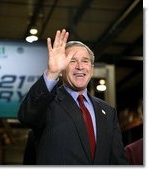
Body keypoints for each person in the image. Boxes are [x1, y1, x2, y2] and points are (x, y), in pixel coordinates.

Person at [18, 29, 129, 165]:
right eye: (72, 61)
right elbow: (26, 116)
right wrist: (52, 73)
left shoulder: (108, 112)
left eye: (85, 61)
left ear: (92, 68)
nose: (80, 67)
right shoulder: (48, 103)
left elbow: (118, 161)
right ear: (62, 67)